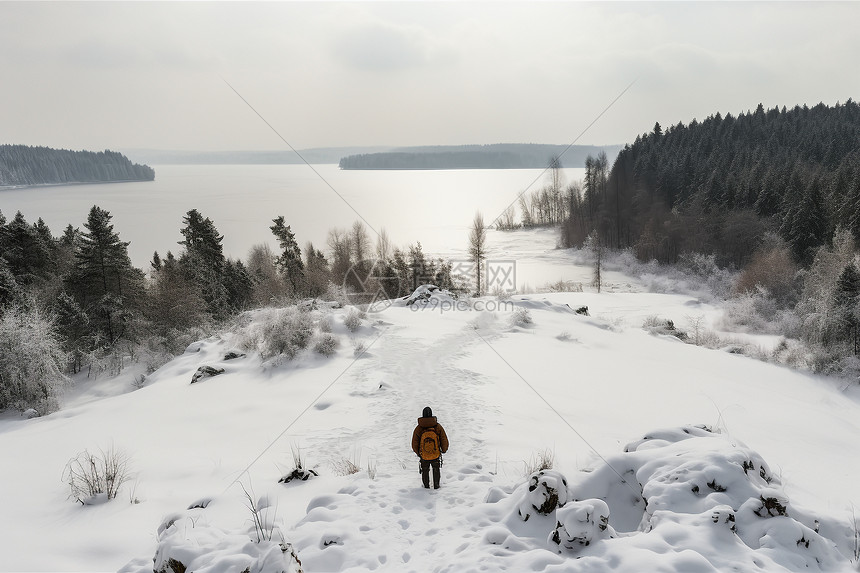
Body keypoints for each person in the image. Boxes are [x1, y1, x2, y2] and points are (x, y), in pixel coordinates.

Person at [411, 406, 449, 489]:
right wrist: (444, 449)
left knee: (425, 470)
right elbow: (443, 439)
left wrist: (418, 453)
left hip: (424, 455)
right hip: (435, 453)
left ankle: (426, 487)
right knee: (436, 469)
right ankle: (436, 485)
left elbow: (415, 443)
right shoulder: (437, 426)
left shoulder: (419, 428)